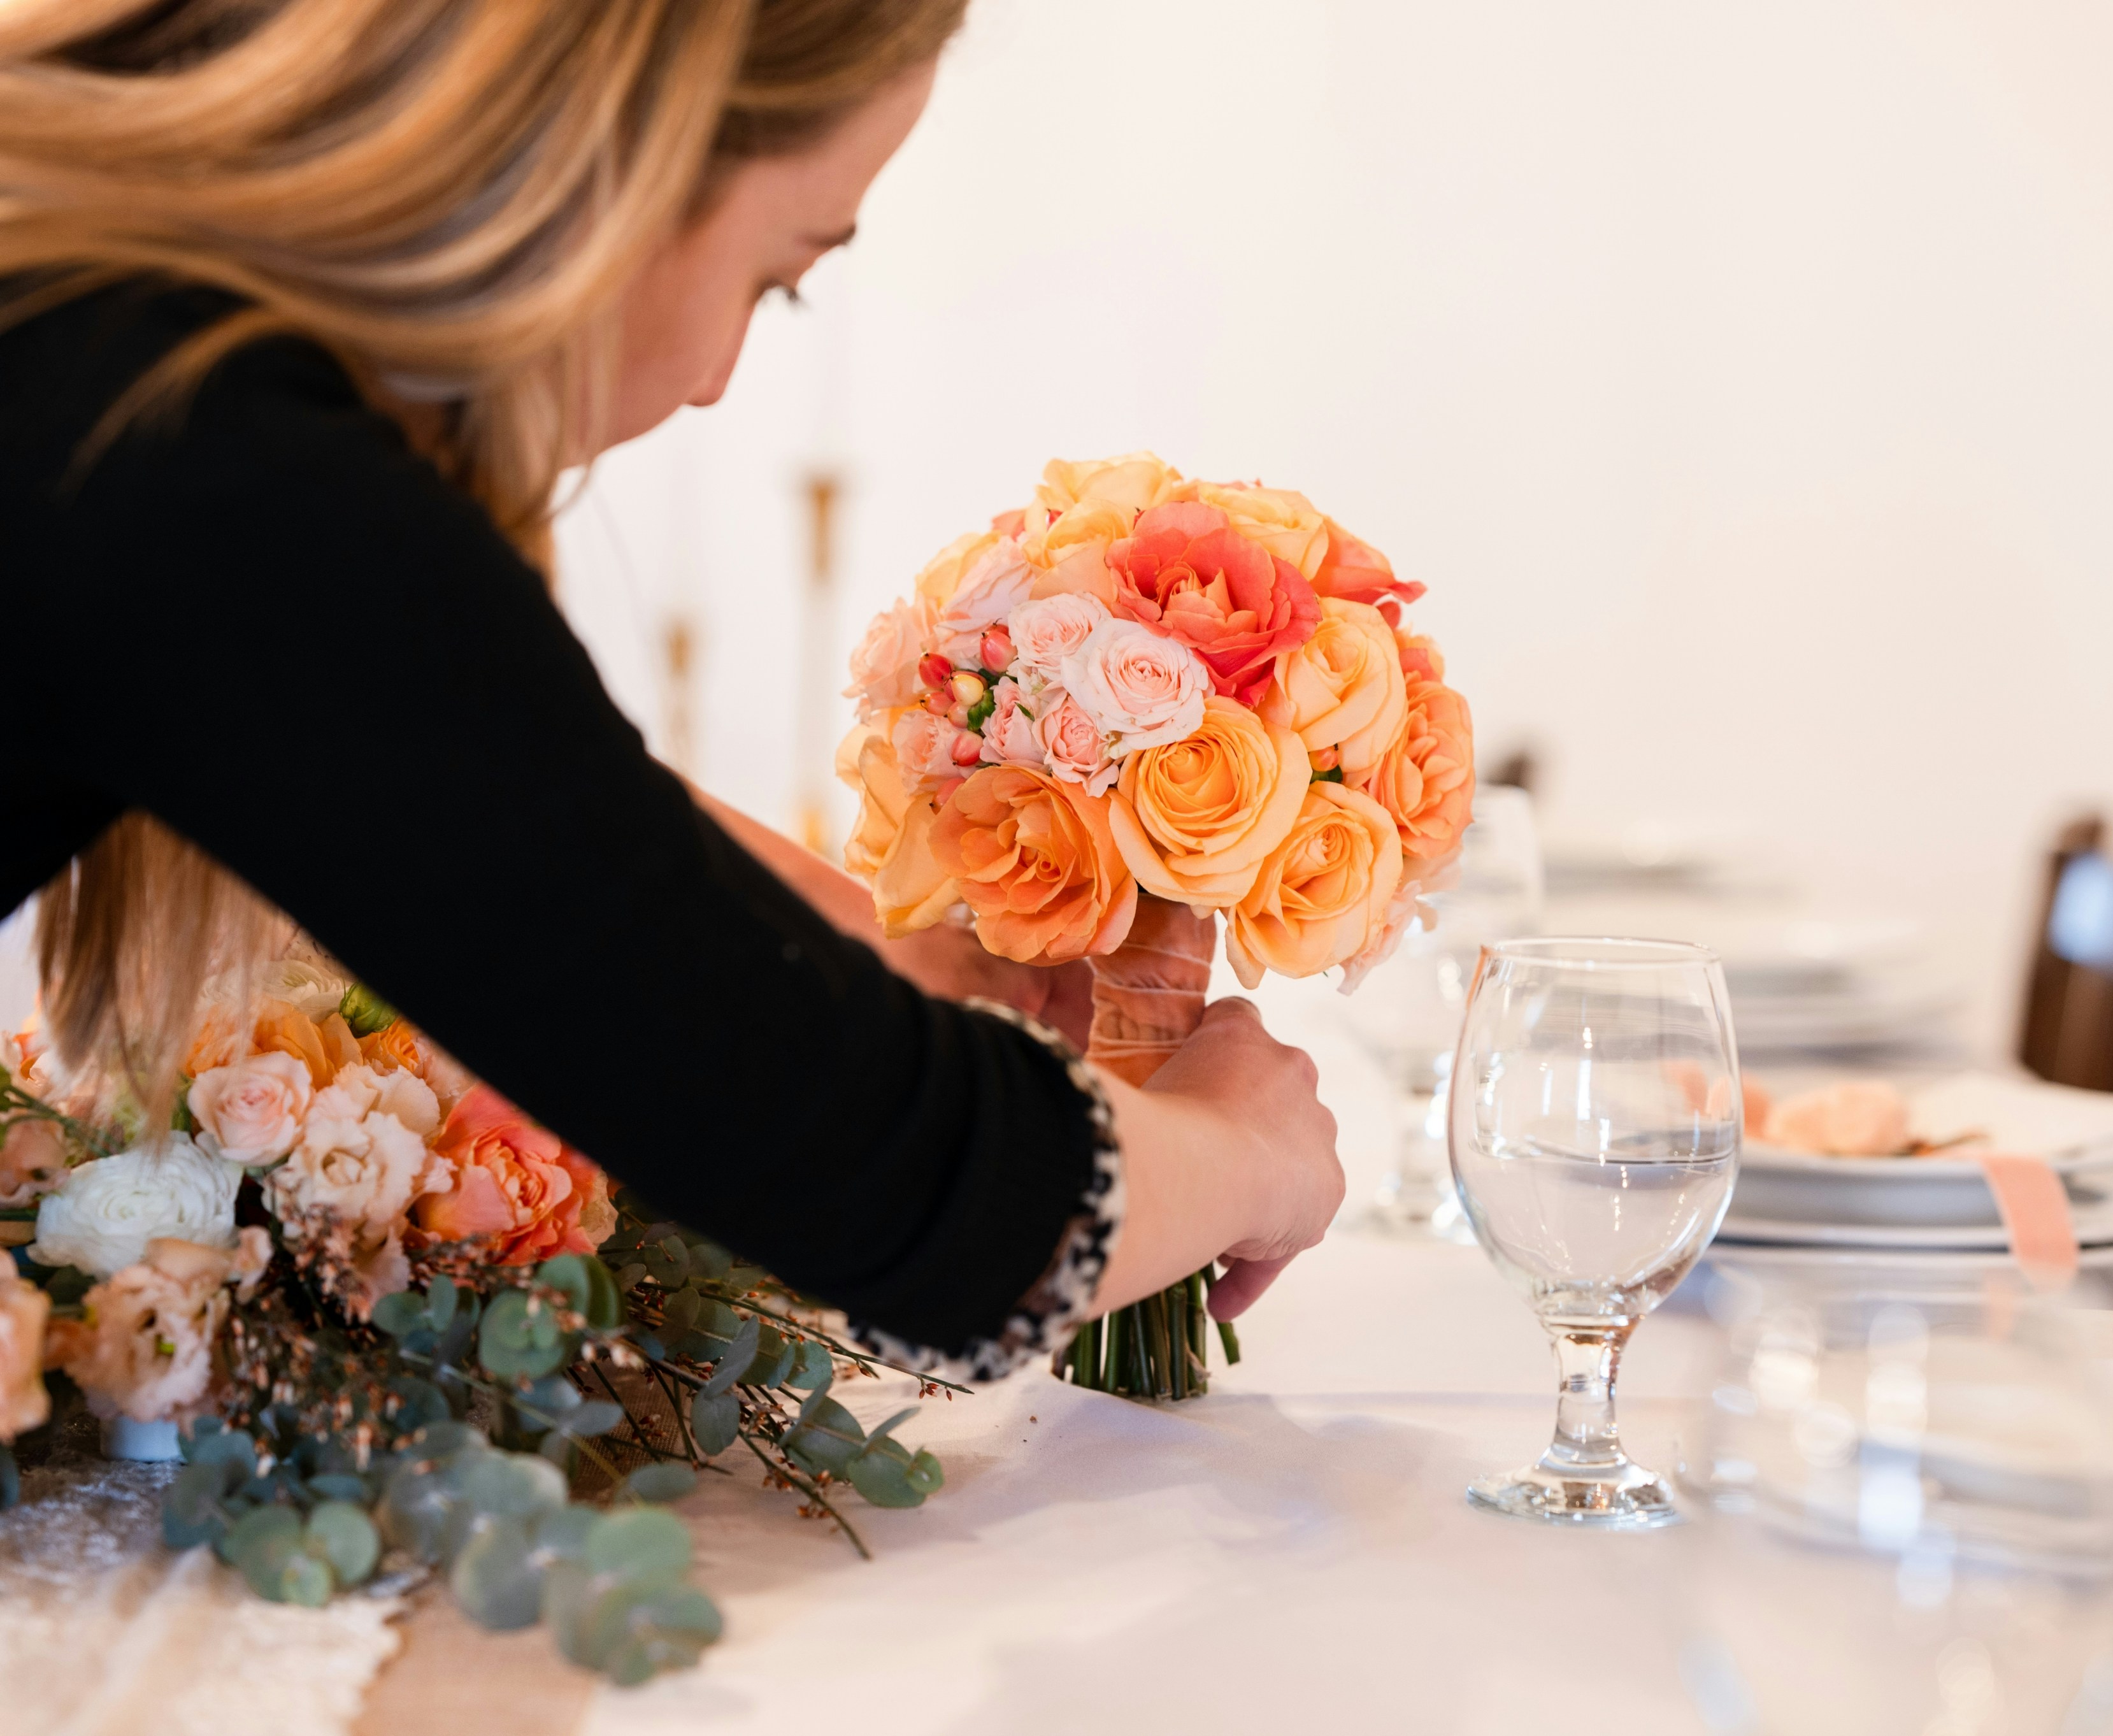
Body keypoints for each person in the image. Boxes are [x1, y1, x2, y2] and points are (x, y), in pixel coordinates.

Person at [0, 0, 1342, 1377]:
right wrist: (1249, 1148)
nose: (712, 382)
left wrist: (861, 942)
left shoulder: (104, 330)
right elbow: (895, 1184)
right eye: (781, 276)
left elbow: (449, 782)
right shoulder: (210, 452)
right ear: (612, 161)